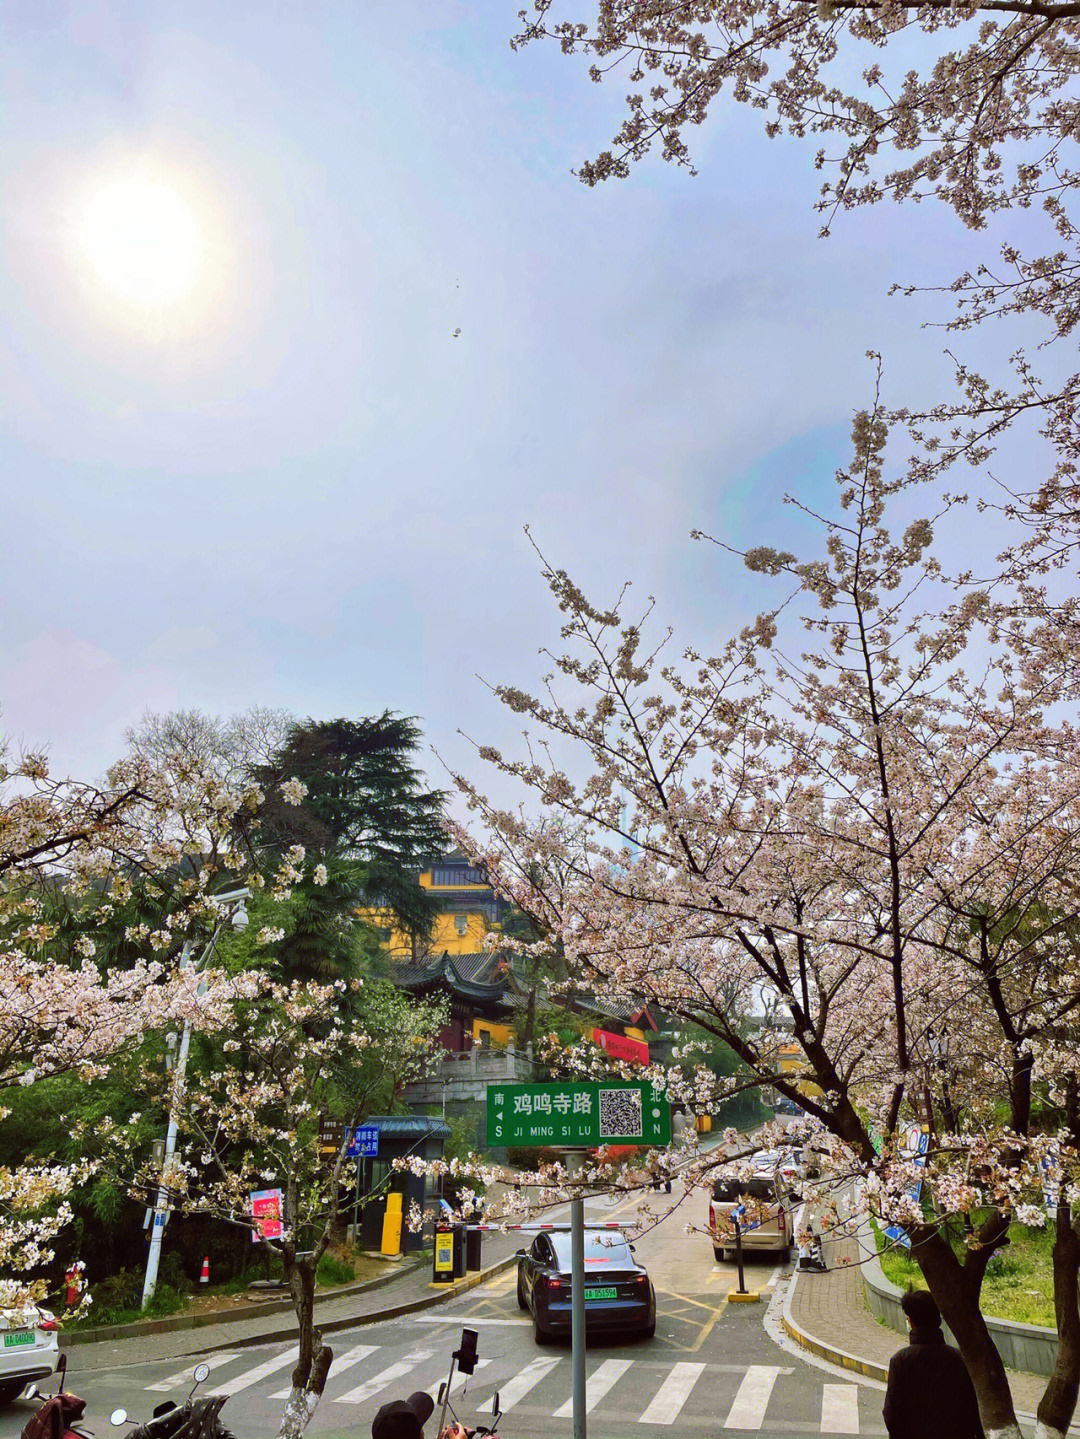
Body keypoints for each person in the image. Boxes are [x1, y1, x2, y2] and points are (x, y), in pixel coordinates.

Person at [882, 1289, 986, 1439]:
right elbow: (971, 1409)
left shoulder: (901, 1361)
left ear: (910, 1321)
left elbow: (892, 1414)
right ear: (938, 1319)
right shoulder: (958, 1358)